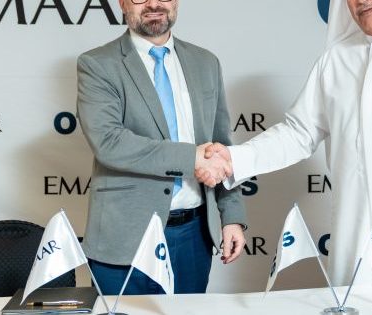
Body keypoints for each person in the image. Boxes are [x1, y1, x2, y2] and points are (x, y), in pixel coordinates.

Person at [198, 0, 372, 286]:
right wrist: (233, 159)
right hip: (356, 235)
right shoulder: (336, 61)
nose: (361, 1)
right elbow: (298, 133)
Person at [76, 0, 247, 295]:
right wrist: (191, 157)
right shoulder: (97, 64)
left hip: (193, 236)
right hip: (125, 237)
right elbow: (109, 142)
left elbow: (221, 147)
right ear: (122, 3)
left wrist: (231, 216)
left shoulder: (206, 62)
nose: (154, 3)